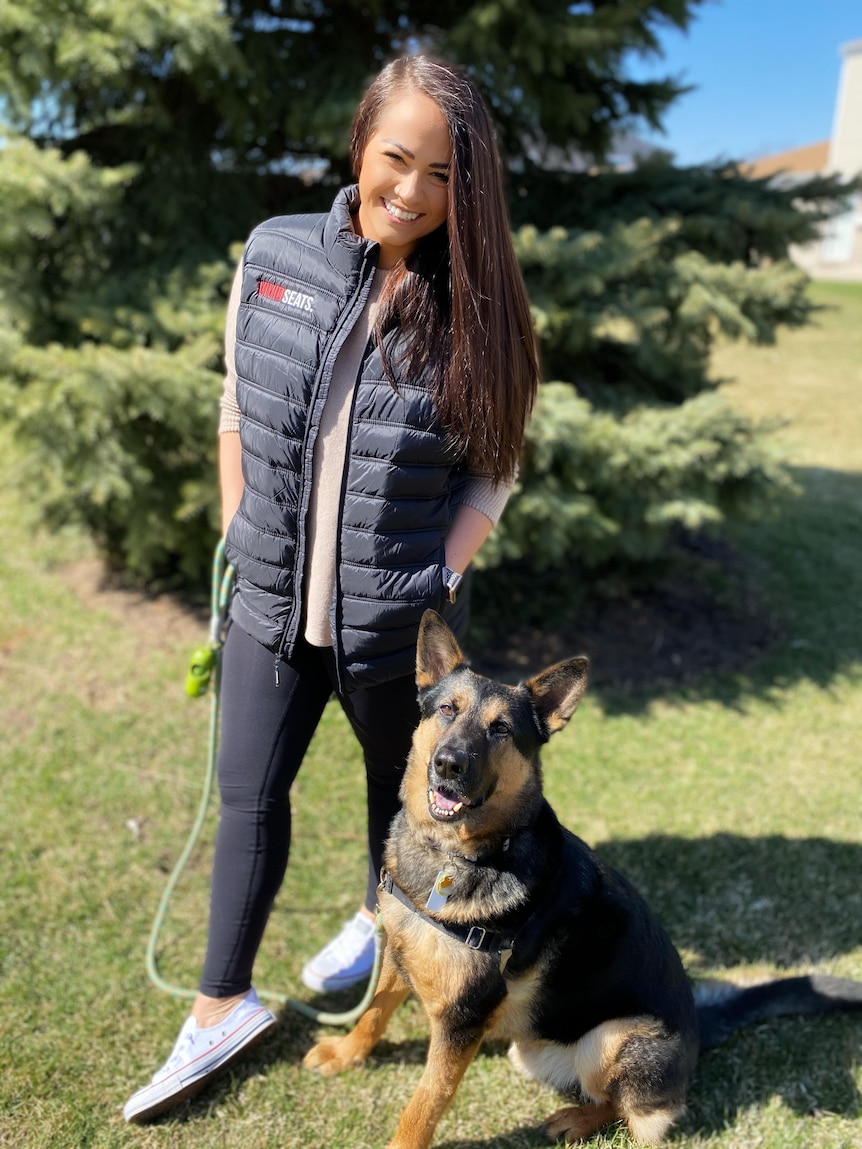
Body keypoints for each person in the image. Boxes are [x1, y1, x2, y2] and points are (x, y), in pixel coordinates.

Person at [123, 53, 539, 1123]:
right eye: (396, 157)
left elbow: (497, 466)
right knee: (248, 796)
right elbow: (234, 401)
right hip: (266, 596)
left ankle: (376, 920)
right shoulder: (273, 253)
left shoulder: (478, 308)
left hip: (394, 622)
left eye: (442, 175)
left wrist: (440, 571)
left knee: (392, 799)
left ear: (468, 188)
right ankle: (220, 1007)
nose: (410, 189)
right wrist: (237, 522)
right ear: (360, 142)